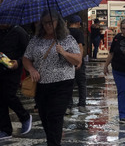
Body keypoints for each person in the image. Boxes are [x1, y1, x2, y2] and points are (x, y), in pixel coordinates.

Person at [23, 9, 82, 146]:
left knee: (54, 116)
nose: (47, 26)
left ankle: (54, 144)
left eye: (50, 22)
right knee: (44, 116)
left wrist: (64, 52)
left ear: (58, 22)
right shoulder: (36, 40)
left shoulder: (68, 39)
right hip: (42, 83)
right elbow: (26, 58)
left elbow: (77, 60)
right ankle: (52, 142)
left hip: (62, 83)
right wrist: (31, 69)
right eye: (44, 23)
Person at [0, 24, 32, 140]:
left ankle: (24, 116)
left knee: (9, 95)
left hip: (14, 70)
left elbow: (28, 52)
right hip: (1, 68)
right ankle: (5, 129)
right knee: (1, 99)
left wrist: (18, 63)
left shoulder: (19, 32)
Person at [66, 15, 88, 115]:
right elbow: (80, 46)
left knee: (69, 84)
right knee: (81, 84)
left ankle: (68, 106)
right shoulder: (79, 32)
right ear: (78, 23)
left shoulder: (65, 32)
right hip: (77, 60)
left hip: (67, 60)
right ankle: (81, 105)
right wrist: (79, 61)